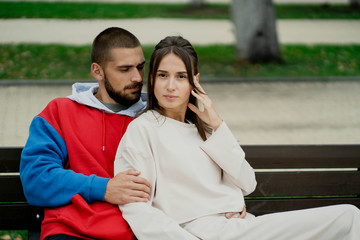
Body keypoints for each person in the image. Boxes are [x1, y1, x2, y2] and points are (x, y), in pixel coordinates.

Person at [114, 36, 360, 240]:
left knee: (348, 218)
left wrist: (219, 126)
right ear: (152, 79)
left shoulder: (208, 131)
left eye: (181, 76)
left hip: (239, 229)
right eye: (162, 75)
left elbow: (247, 182)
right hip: (200, 233)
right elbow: (137, 209)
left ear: (194, 81)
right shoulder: (143, 130)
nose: (170, 86)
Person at [20, 27, 152, 240]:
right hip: (70, 232)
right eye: (125, 69)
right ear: (97, 71)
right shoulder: (60, 111)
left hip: (137, 232)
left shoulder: (154, 118)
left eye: (140, 67)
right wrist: (103, 188)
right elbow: (36, 179)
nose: (137, 77)